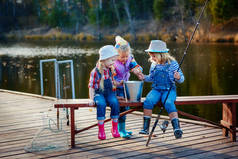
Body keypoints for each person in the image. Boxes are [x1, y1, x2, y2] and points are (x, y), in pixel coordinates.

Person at [139, 40, 184, 139]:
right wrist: (144, 77)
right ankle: (145, 128)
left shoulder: (173, 64)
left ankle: (176, 128)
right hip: (156, 89)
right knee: (148, 101)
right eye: (151, 56)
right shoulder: (154, 64)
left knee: (168, 103)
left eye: (154, 56)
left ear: (161, 55)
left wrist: (178, 77)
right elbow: (151, 78)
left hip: (169, 90)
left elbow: (182, 79)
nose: (152, 58)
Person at [113, 36, 143, 138]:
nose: (125, 59)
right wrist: (117, 82)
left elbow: (135, 66)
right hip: (116, 88)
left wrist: (137, 71)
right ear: (117, 55)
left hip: (126, 86)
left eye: (126, 56)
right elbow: (110, 77)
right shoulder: (113, 62)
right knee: (120, 107)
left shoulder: (129, 58)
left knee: (125, 107)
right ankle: (119, 130)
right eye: (122, 57)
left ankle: (122, 128)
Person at [88, 45, 120, 140]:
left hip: (110, 93)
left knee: (114, 102)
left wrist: (119, 83)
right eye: (112, 60)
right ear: (103, 60)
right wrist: (91, 99)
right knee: (101, 104)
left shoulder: (111, 69)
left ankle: (114, 128)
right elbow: (91, 86)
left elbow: (113, 82)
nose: (114, 62)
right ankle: (101, 130)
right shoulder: (95, 72)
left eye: (114, 60)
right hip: (99, 93)